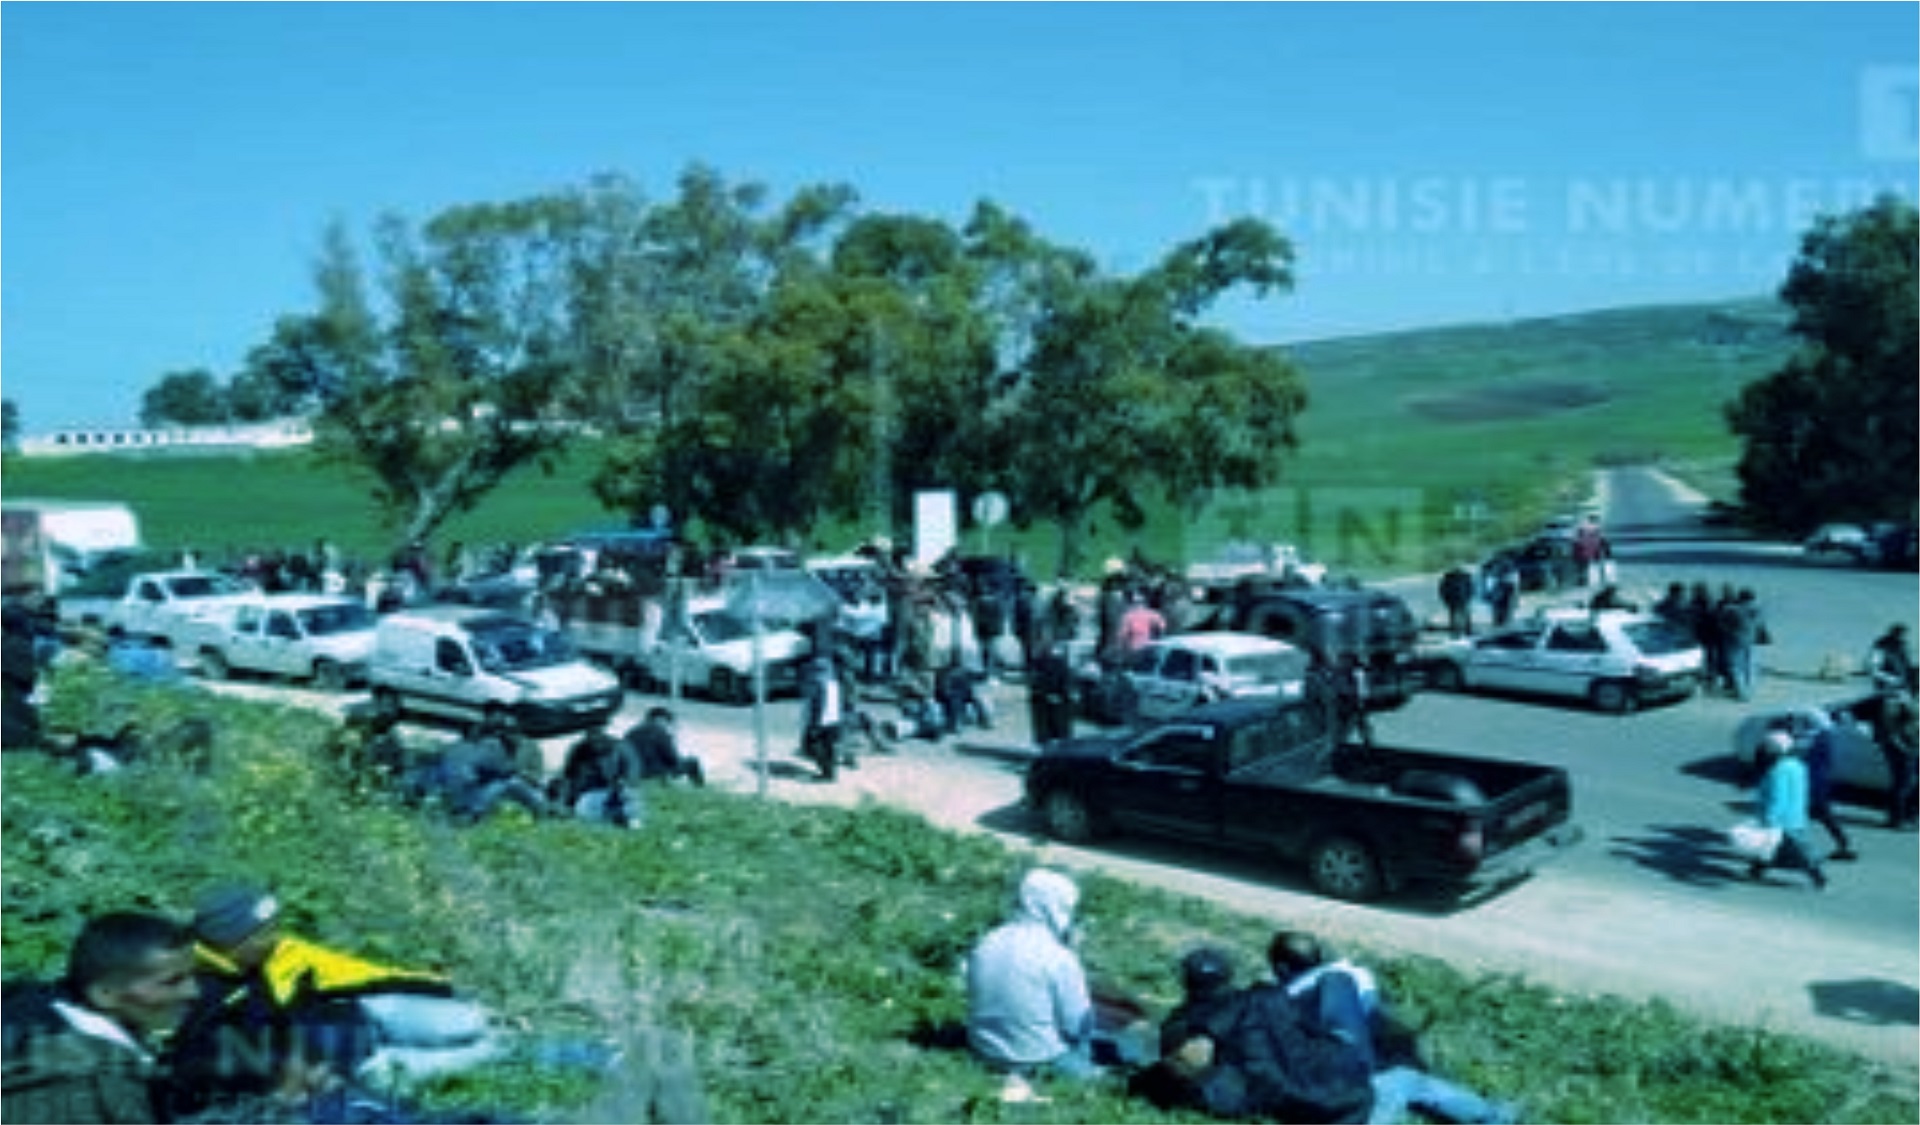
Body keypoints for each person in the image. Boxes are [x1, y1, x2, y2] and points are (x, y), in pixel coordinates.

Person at [177, 885, 501, 1103]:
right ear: (234, 941)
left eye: (276, 927)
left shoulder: (275, 952)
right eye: (266, 932)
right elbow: (223, 1068)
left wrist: (441, 986)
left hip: (368, 1016)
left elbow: (356, 973)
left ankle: (507, 1030)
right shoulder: (196, 996)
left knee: (476, 1019)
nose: (277, 938)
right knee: (492, 1049)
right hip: (362, 1065)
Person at [1267, 931, 1519, 1125]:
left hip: (1311, 1098)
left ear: (1282, 968)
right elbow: (1375, 1025)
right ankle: (1493, 1116)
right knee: (1411, 1081)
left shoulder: (1274, 1002)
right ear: (1319, 955)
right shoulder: (1352, 977)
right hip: (1362, 1092)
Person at [1132, 945, 1374, 1124]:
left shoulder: (1183, 1026)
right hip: (1334, 1076)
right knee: (1337, 982)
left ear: (1186, 982)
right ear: (1228, 977)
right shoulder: (1261, 997)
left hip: (1309, 1087)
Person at [2, 911, 202, 1124]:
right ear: (104, 994)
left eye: (193, 975)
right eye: (172, 982)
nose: (194, 991)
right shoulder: (87, 1084)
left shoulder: (31, 1018)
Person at [965, 869, 1100, 1083]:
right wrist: (1075, 957)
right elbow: (1077, 1025)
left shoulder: (989, 940)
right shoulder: (1059, 957)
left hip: (983, 1049)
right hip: (1038, 1058)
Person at [1747, 731, 1827, 889]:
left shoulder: (1777, 770)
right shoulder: (1798, 765)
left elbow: (1778, 797)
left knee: (1795, 849)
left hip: (1782, 819)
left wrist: (1770, 817)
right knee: (1773, 847)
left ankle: (1818, 876)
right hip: (1796, 815)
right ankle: (1756, 870)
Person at [1794, 709, 1858, 861]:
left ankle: (1800, 851)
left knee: (1801, 817)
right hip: (1820, 782)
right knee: (1823, 815)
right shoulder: (1825, 735)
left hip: (1813, 783)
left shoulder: (1815, 739)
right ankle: (1843, 843)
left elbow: (1801, 753)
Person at [556, 722, 646, 828]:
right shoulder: (579, 750)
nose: (594, 739)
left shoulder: (621, 748)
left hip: (616, 791)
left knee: (628, 794)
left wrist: (622, 782)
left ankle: (631, 819)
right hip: (590, 793)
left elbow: (632, 774)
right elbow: (569, 777)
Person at [1871, 690, 1918, 830]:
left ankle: (1910, 815)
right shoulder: (1895, 699)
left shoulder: (1912, 697)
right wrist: (1902, 748)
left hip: (1913, 745)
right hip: (1902, 748)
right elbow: (1890, 729)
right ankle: (1897, 819)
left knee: (1909, 784)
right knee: (1903, 784)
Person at [624, 707, 706, 788]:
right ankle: (699, 787)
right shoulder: (660, 732)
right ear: (661, 719)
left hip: (632, 770)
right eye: (668, 721)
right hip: (652, 771)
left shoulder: (632, 731)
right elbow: (672, 758)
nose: (668, 725)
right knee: (693, 762)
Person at [799, 655, 851, 781]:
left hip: (823, 722)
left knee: (813, 746)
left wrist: (814, 724)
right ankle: (830, 773)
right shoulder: (835, 683)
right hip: (835, 720)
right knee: (830, 748)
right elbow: (841, 702)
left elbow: (818, 706)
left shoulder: (819, 684)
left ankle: (826, 773)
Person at [1027, 640, 1078, 746]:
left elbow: (1035, 683)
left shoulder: (1039, 664)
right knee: (1058, 732)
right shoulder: (1056, 663)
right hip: (1053, 701)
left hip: (1050, 701)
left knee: (1052, 733)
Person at [1867, 623, 1918, 697]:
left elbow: (1905, 666)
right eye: (1900, 634)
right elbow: (1875, 670)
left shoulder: (1900, 647)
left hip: (1901, 688)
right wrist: (1892, 679)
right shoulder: (1881, 647)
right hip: (1887, 689)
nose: (1902, 637)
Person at [1437, 566, 1475, 638]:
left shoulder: (1448, 578)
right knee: (1460, 614)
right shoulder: (1463, 577)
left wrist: (1445, 600)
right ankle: (1462, 630)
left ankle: (1460, 630)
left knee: (1457, 615)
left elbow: (1442, 590)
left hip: (1458, 599)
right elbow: (1471, 588)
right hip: (1457, 599)